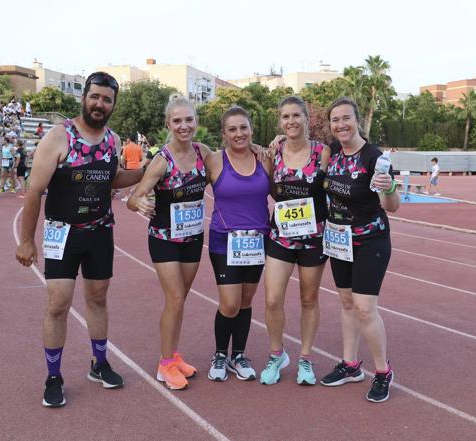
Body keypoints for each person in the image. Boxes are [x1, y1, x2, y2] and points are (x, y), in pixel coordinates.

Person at [15, 72, 144, 408]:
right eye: (95, 97)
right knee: (58, 303)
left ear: (114, 104)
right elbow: (34, 191)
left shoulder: (113, 140)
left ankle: (99, 364)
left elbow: (112, 178)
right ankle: (53, 376)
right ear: (84, 96)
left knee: (98, 298)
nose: (100, 104)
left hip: (100, 231)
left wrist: (149, 171)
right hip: (62, 233)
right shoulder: (59, 137)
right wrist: (27, 241)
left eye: (107, 100)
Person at [127, 94, 212, 390]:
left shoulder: (203, 153)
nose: (184, 126)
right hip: (164, 238)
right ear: (168, 124)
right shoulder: (162, 161)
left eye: (189, 120)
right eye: (177, 121)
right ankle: (164, 365)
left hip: (193, 238)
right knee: (175, 299)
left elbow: (231, 163)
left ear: (196, 122)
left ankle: (174, 356)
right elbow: (133, 197)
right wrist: (138, 203)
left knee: (180, 300)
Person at [318, 97, 400, 403]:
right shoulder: (333, 152)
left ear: (357, 121)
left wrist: (389, 187)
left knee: (365, 308)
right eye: (335, 119)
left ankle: (383, 372)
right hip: (339, 239)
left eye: (346, 118)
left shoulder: (373, 157)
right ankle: (350, 364)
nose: (341, 124)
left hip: (370, 240)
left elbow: (392, 207)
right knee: (346, 302)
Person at [260, 96, 331, 386]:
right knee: (273, 298)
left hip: (313, 237)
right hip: (280, 236)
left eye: (296, 115)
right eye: (285, 116)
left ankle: (304, 358)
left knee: (308, 299)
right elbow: (261, 187)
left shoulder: (323, 152)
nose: (291, 121)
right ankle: (277, 355)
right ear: (280, 122)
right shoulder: (272, 154)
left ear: (306, 119)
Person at [202, 106, 271, 382]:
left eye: (243, 127)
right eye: (232, 129)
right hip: (224, 241)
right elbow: (184, 181)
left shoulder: (265, 159)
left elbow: (281, 192)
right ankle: (220, 354)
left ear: (251, 129)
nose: (239, 133)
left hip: (257, 242)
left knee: (245, 301)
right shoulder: (215, 161)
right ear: (224, 134)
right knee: (229, 303)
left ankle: (239, 354)